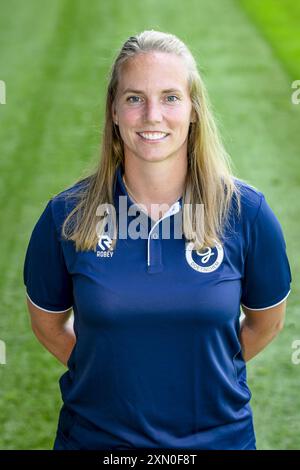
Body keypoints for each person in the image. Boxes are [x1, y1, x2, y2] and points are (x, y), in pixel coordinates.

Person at [23, 30, 292, 451]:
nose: (152, 115)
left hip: (220, 441)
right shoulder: (66, 217)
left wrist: (202, 373)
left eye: (170, 97)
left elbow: (266, 322)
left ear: (193, 110)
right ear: (113, 110)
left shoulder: (247, 214)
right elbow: (48, 325)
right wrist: (112, 375)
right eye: (134, 98)